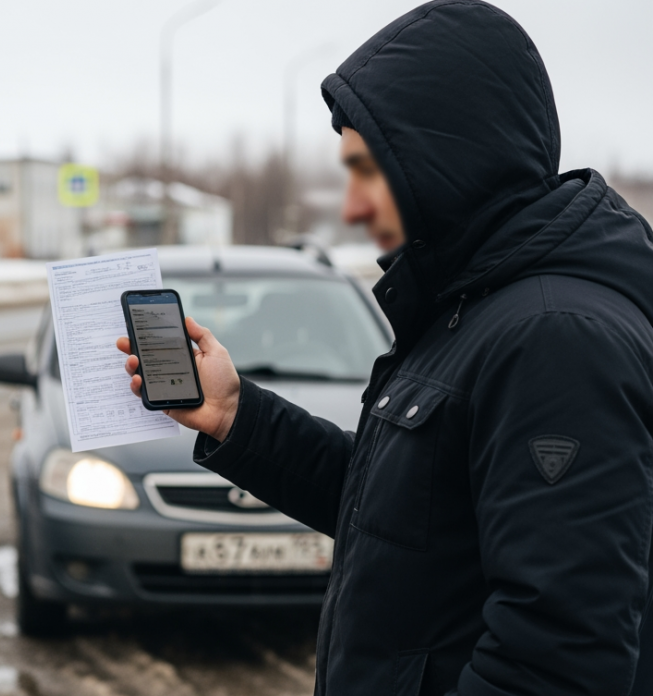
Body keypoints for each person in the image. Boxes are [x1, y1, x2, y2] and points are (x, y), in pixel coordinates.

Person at [120, 1, 653, 694]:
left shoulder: (554, 337)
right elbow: (398, 512)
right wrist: (233, 414)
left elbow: (554, 660)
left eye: (368, 169)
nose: (351, 207)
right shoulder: (475, 308)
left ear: (451, 154)